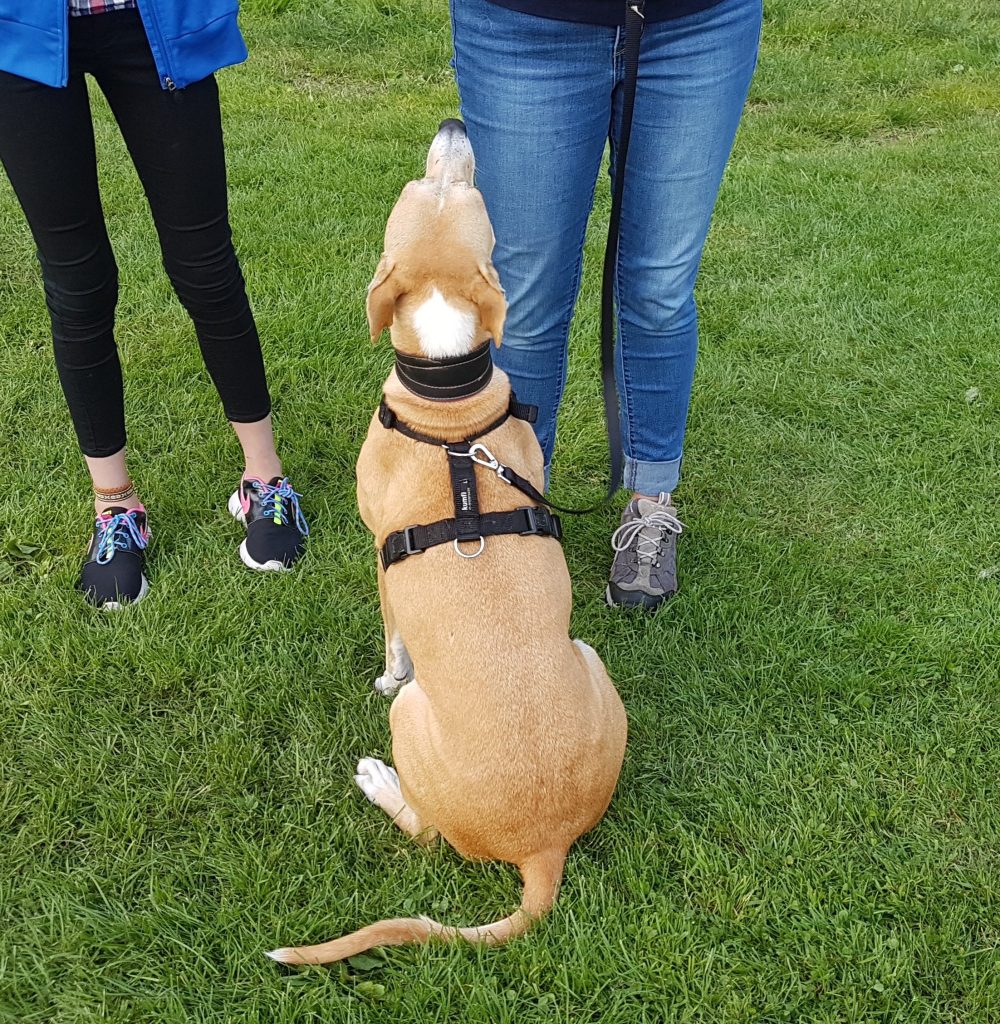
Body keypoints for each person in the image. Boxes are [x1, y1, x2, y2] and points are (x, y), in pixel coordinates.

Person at [450, 0, 762, 609]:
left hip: (699, 25)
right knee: (526, 298)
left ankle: (651, 504)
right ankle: (513, 509)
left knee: (659, 289)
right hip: (524, 26)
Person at [0, 0, 308, 609]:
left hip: (151, 18)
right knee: (76, 281)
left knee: (205, 266)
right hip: (20, 29)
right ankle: (114, 505)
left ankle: (265, 480)